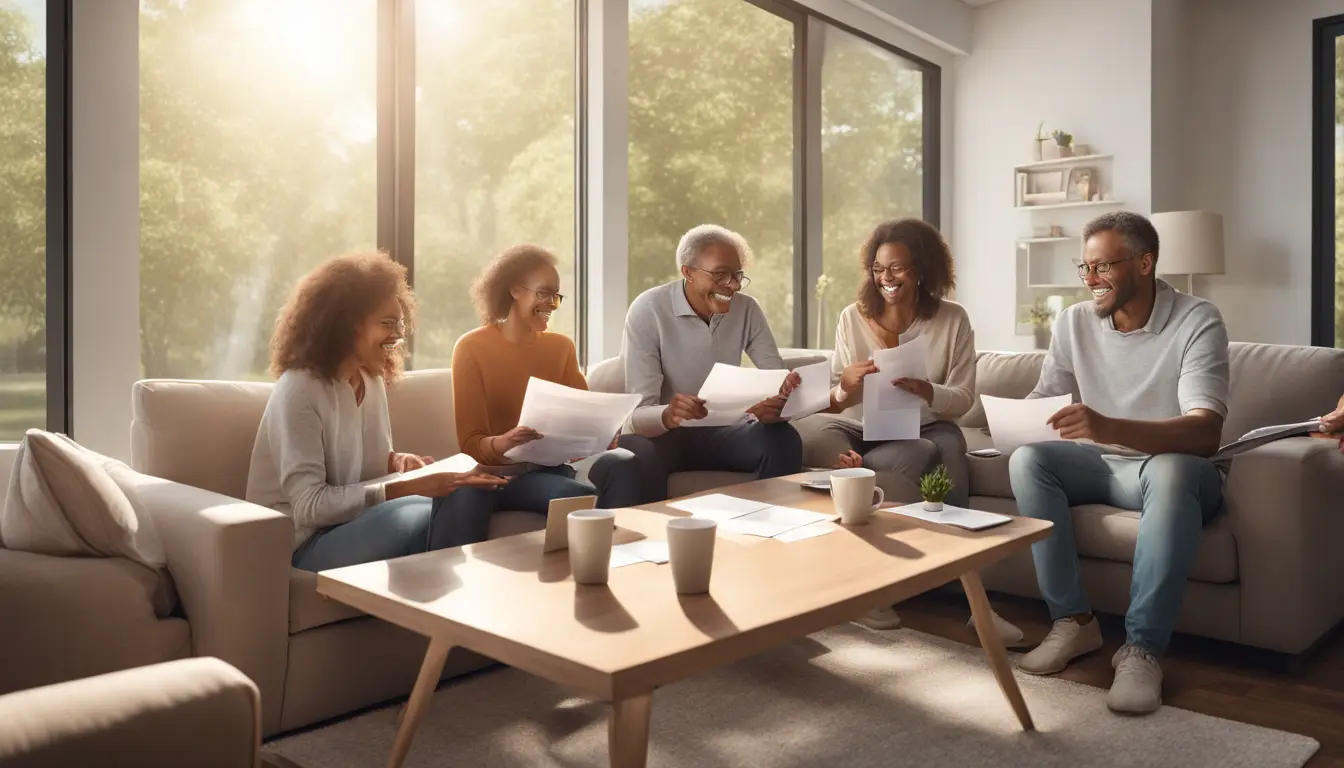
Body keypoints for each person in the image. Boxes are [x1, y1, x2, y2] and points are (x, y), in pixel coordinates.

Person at [1009, 211, 1230, 715]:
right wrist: (1001, 423)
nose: (1090, 281)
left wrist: (1107, 426)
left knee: (1172, 468)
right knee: (1028, 461)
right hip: (1099, 465)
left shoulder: (1198, 319)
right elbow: (1046, 400)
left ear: (1144, 263)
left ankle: (1141, 649)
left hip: (1173, 472)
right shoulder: (1072, 322)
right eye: (1084, 268)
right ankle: (1074, 623)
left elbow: (1204, 431)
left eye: (1102, 267)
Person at [794, 217, 1021, 642]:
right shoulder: (852, 317)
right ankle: (865, 590)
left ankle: (977, 606)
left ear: (921, 269)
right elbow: (841, 398)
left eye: (897, 267)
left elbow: (964, 398)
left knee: (941, 452)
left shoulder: (952, 320)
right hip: (861, 424)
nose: (887, 278)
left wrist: (926, 389)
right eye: (879, 269)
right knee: (814, 435)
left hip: (928, 425)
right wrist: (846, 385)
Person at [247, 252, 511, 572]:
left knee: (470, 492)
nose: (399, 334)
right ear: (345, 324)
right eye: (387, 323)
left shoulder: (369, 380)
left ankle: (440, 615)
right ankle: (436, 613)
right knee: (412, 518)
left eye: (400, 323)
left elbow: (367, 472)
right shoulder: (299, 389)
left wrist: (396, 462)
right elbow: (309, 507)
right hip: (304, 541)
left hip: (353, 521)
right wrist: (409, 486)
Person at [449, 244, 646, 524]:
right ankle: (592, 551)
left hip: (553, 467)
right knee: (575, 493)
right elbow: (470, 444)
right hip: (502, 477)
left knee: (624, 462)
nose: (552, 304)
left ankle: (620, 556)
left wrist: (603, 435)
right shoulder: (471, 348)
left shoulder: (561, 347)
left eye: (556, 295)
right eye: (543, 293)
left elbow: (585, 418)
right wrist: (503, 442)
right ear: (514, 290)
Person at [618, 224, 802, 500]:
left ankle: (771, 526)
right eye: (720, 274)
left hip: (726, 431)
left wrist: (775, 403)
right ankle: (652, 536)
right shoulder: (648, 309)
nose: (733, 285)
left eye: (737, 275)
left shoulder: (746, 308)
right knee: (634, 453)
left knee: (783, 439)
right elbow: (638, 415)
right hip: (665, 436)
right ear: (688, 272)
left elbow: (776, 377)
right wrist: (668, 414)